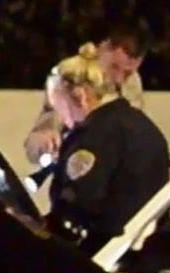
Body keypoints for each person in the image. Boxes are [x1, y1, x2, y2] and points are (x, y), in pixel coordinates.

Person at [45, 42, 170, 253]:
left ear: (81, 97)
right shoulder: (145, 128)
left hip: (102, 261)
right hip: (146, 259)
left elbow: (74, 213)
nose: (67, 123)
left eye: (63, 109)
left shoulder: (93, 135)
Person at [24, 25, 150, 167]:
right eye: (114, 67)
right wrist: (43, 144)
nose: (120, 79)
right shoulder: (72, 73)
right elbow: (35, 145)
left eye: (128, 73)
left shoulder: (132, 83)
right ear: (104, 47)